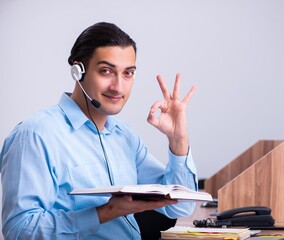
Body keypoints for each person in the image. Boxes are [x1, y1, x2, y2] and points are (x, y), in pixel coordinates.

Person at [0, 22, 198, 239]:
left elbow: (181, 207)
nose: (118, 87)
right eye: (106, 71)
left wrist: (178, 139)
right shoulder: (35, 135)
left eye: (128, 73)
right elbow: (18, 231)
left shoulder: (124, 136)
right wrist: (105, 212)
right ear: (78, 71)